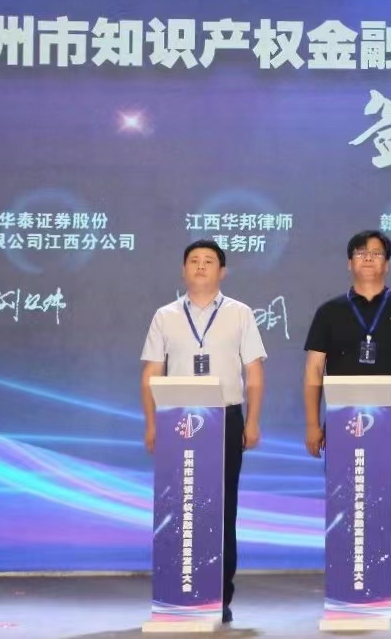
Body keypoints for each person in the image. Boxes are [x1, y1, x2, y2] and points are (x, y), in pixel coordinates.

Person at [303, 230, 391, 620]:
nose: (369, 258)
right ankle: (346, 588)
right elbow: (314, 371)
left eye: (377, 253)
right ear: (349, 262)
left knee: (389, 507)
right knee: (346, 504)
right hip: (342, 422)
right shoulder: (330, 311)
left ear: (387, 263)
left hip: (388, 419)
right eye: (361, 252)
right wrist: (313, 424)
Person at [140, 239, 267, 625]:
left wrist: (253, 421)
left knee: (221, 509)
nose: (200, 266)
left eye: (209, 261)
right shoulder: (165, 316)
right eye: (193, 260)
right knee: (178, 507)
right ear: (183, 270)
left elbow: (254, 374)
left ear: (222, 271)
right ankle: (176, 589)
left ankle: (218, 595)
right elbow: (150, 373)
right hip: (176, 420)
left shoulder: (240, 313)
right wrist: (151, 424)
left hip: (225, 418)